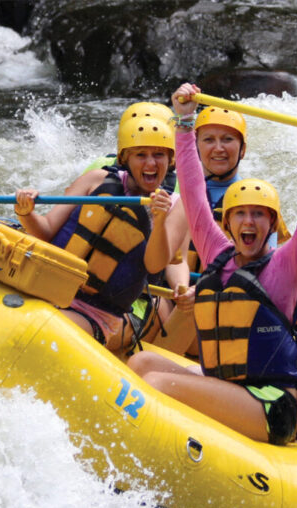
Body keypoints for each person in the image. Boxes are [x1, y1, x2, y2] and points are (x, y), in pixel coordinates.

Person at [127, 82, 297, 445]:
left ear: (272, 224)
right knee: (141, 365)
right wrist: (185, 123)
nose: (248, 223)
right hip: (226, 384)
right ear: (228, 222)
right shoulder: (217, 250)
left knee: (158, 384)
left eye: (259, 215)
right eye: (241, 215)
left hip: (272, 403)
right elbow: (192, 190)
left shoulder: (285, 266)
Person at [15, 115, 187, 352]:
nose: (151, 163)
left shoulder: (177, 207)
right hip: (48, 286)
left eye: (159, 155)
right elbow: (45, 230)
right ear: (124, 158)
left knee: (38, 331)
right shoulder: (95, 180)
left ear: (171, 161)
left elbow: (155, 265)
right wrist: (26, 213)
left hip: (97, 311)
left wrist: (158, 221)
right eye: (141, 154)